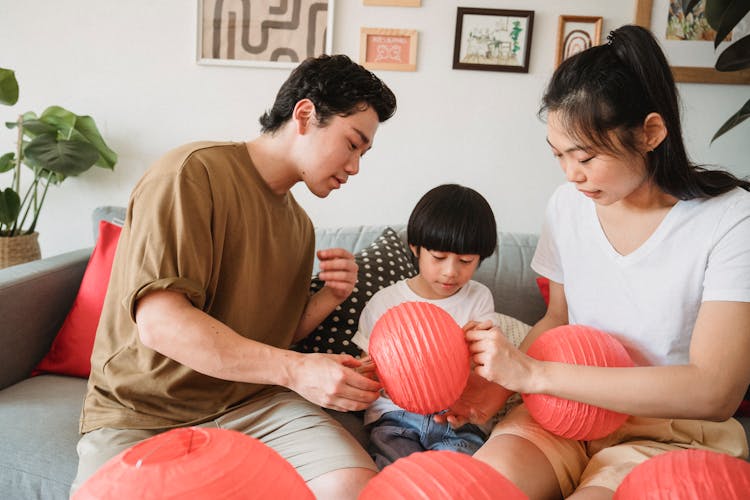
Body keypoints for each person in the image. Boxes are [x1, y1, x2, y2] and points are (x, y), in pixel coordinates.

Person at [72, 54, 397, 499]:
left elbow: (269, 338)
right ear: (305, 115)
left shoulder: (300, 227)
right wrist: (297, 370)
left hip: (252, 404)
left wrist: (329, 298)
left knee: (356, 489)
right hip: (143, 412)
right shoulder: (192, 173)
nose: (355, 166)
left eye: (363, 152)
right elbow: (161, 324)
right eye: (352, 143)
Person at [445, 25, 750, 498]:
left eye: (584, 155)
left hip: (667, 433)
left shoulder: (730, 219)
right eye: (559, 156)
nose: (572, 174)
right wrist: (497, 391)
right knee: (475, 489)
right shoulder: (567, 205)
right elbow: (559, 317)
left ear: (650, 132)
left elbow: (714, 391)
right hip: (562, 412)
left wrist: (532, 373)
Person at [352, 184, 505, 469]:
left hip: (455, 421)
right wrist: (373, 371)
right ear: (415, 247)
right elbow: (366, 368)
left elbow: (487, 371)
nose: (450, 271)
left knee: (460, 478)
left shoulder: (478, 297)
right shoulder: (386, 302)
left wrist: (467, 356)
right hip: (395, 418)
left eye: (465, 261)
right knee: (395, 477)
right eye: (438, 257)